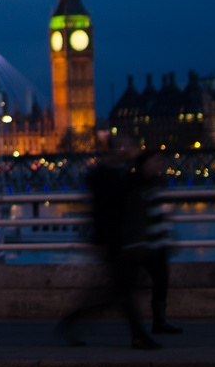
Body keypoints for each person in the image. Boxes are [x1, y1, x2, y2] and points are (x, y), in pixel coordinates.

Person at [56, 133, 160, 350]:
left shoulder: (118, 172)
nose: (129, 149)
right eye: (126, 146)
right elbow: (104, 210)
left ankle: (73, 321)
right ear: (117, 149)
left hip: (124, 241)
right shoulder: (103, 175)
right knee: (122, 292)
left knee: (118, 292)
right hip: (114, 241)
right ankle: (138, 336)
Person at [132, 148, 182, 335]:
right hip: (145, 246)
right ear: (145, 165)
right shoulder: (138, 186)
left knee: (161, 281)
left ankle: (159, 322)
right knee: (130, 289)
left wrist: (168, 237)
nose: (159, 165)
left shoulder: (154, 184)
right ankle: (154, 323)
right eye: (155, 162)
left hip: (157, 244)